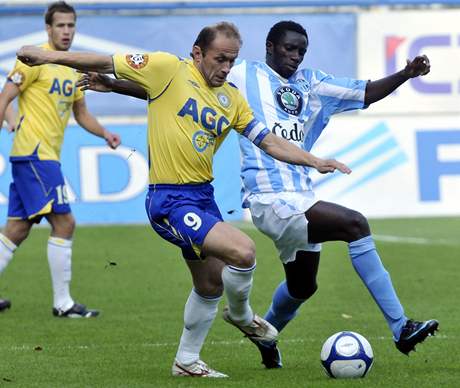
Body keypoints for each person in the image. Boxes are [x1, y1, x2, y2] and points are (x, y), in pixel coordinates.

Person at [78, 20, 440, 368]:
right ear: (269, 47)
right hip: (270, 196)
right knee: (355, 225)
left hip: (302, 195)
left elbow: (364, 93)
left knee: (303, 286)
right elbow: (175, 89)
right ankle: (400, 326)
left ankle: (265, 336)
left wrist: (405, 74)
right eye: (288, 49)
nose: (295, 56)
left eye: (301, 51)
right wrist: (116, 84)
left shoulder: (315, 84)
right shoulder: (239, 74)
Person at [15, 22, 354, 377]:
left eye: (231, 60)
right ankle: (240, 315)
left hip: (202, 196)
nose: (225, 68)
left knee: (209, 285)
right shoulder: (167, 67)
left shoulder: (231, 98)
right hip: (169, 201)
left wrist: (314, 160)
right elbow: (103, 61)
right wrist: (47, 56)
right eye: (219, 59)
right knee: (243, 251)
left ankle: (186, 361)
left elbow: (269, 141)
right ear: (197, 53)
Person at [0, 1, 120, 318]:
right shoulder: (31, 59)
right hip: (34, 154)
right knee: (65, 222)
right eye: (60, 25)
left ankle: (63, 302)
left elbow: (81, 113)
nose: (66, 31)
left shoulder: (71, 66)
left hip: (44, 156)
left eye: (71, 25)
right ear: (48, 28)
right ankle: (63, 303)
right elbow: (5, 97)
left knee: (16, 229)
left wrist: (105, 133)